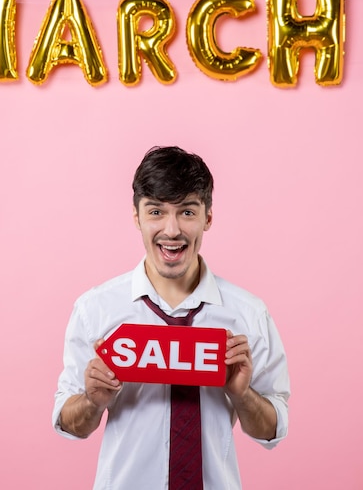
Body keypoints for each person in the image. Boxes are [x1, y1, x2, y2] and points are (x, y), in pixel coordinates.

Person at [52, 146, 290, 490]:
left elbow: (272, 429)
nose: (172, 229)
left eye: (187, 212)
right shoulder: (96, 309)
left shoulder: (248, 314)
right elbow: (69, 423)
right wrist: (92, 401)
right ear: (137, 217)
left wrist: (242, 394)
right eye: (156, 211)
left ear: (208, 217)